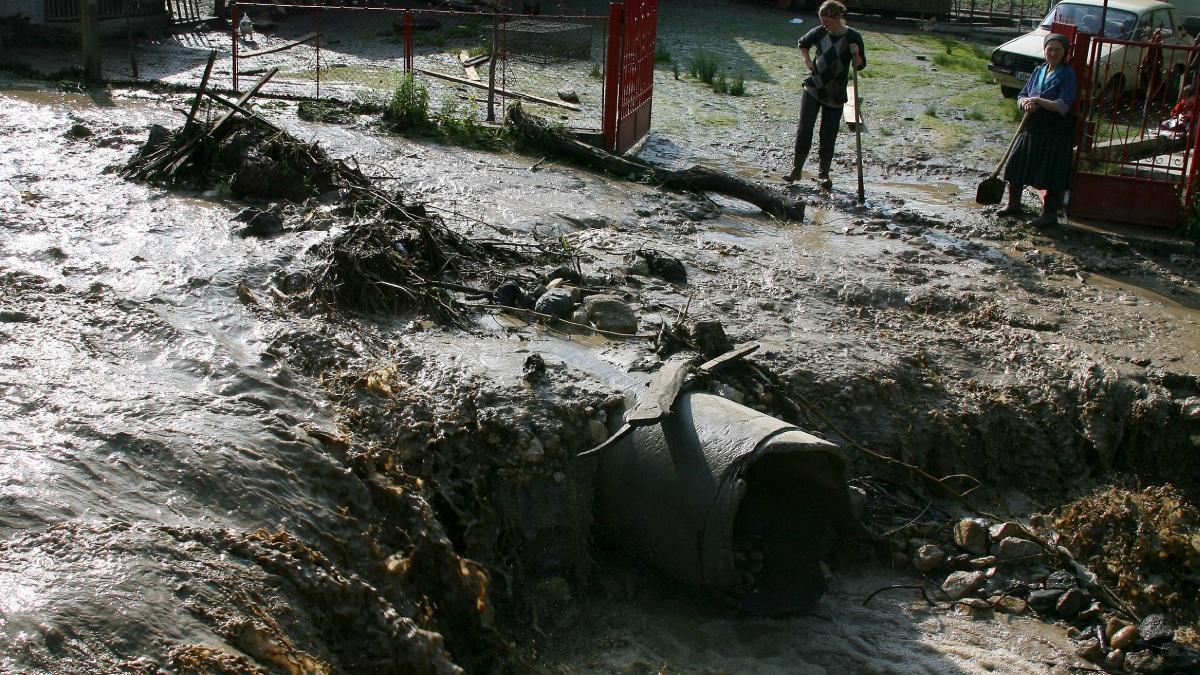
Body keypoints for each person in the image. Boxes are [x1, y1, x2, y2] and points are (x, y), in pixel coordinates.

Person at [783, 0, 866, 190]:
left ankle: (823, 175)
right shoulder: (820, 31)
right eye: (822, 20)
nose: (824, 24)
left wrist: (856, 53)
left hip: (836, 94)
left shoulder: (853, 36)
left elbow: (859, 66)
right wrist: (807, 60)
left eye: (827, 20)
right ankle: (796, 169)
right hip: (813, 88)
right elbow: (803, 43)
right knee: (805, 129)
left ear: (837, 18)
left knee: (828, 135)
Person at [998, 32, 1077, 227]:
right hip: (1032, 125)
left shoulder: (1068, 74)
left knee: (1050, 171)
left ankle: (1049, 214)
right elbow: (1022, 95)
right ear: (1044, 50)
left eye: (1057, 50)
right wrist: (1024, 102)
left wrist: (1039, 101)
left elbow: (1063, 105)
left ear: (1064, 52)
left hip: (1055, 130)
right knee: (1016, 164)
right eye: (1050, 49)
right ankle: (1013, 204)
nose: (1053, 53)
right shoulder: (1039, 70)